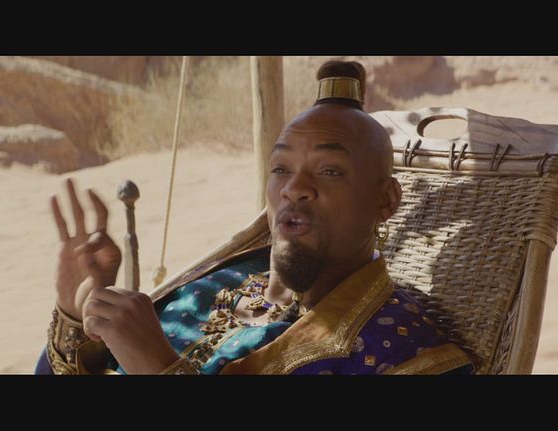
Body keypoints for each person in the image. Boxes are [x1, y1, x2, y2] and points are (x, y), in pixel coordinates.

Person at [35, 60, 474, 375]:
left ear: (385, 201)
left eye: (329, 171)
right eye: (281, 168)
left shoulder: (408, 355)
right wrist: (75, 318)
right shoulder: (224, 278)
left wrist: (161, 368)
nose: (293, 187)